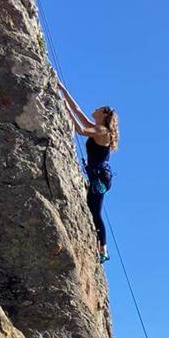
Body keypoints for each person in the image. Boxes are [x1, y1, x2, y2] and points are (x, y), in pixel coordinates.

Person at [57, 81, 119, 263]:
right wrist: (62, 90)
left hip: (100, 177)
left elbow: (81, 129)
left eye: (99, 108)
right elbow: (78, 113)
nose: (96, 108)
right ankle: (101, 247)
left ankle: (104, 250)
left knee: (95, 212)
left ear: (104, 115)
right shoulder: (98, 128)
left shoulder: (102, 130)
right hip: (98, 175)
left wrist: (64, 109)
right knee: (93, 209)